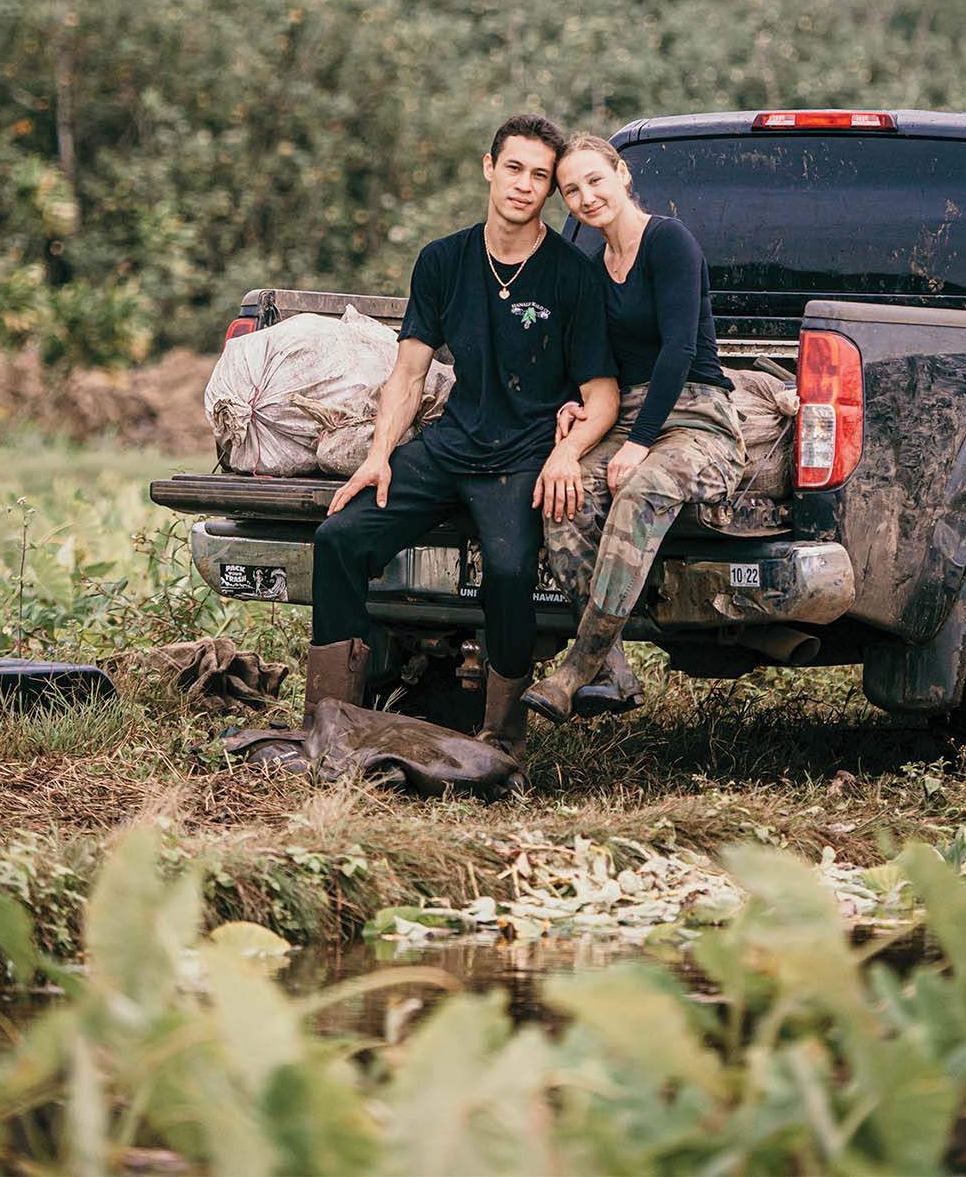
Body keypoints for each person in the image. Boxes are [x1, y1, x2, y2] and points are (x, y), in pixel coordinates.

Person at [309, 114, 619, 766]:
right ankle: (329, 721)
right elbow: (409, 373)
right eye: (515, 168)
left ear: (550, 191)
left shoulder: (571, 275)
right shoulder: (443, 260)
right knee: (339, 537)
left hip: (522, 457)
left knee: (508, 573)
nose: (525, 185)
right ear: (488, 167)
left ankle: (502, 736)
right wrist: (377, 455)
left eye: (541, 176)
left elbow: (602, 396)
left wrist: (566, 452)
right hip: (450, 446)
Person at [522, 133, 747, 724]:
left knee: (640, 487)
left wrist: (640, 445)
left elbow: (677, 350)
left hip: (697, 419)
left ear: (622, 175)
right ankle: (614, 672)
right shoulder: (597, 270)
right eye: (571, 190)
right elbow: (607, 365)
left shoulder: (668, 240)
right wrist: (576, 404)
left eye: (595, 180)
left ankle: (576, 668)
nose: (585, 196)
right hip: (629, 416)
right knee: (563, 500)